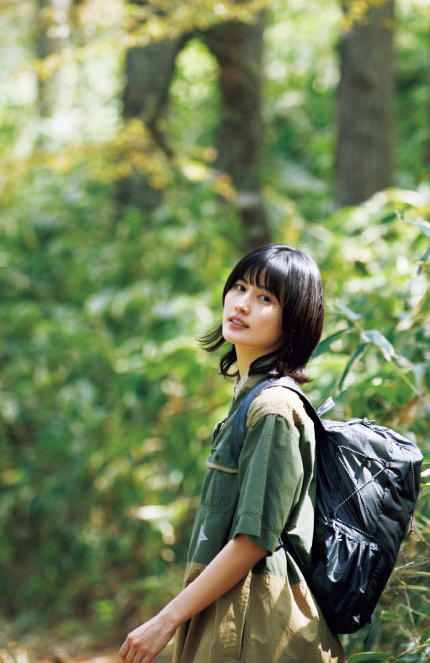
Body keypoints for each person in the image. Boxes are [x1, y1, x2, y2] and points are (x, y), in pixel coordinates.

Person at [119, 244, 345, 663]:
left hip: (258, 629)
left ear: (293, 321)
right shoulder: (250, 400)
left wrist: (165, 620)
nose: (242, 304)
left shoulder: (274, 409)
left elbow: (252, 541)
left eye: (265, 298)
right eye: (239, 287)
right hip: (235, 618)